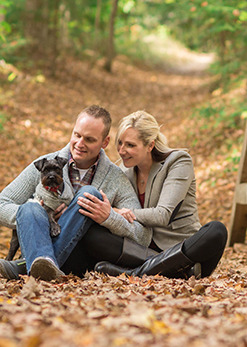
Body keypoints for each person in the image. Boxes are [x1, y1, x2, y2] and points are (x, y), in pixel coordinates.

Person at [0, 105, 150, 281]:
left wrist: (109, 217)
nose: (80, 144)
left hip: (79, 259)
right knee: (30, 208)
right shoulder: (44, 165)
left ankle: (28, 265)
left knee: (89, 194)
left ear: (105, 142)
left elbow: (142, 235)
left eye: (89, 139)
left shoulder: (116, 178)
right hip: (42, 244)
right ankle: (41, 266)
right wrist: (42, 218)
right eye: (77, 135)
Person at [89, 110, 227, 278]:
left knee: (217, 230)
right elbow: (104, 204)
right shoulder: (123, 171)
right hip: (141, 249)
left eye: (130, 145)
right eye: (120, 143)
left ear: (150, 145)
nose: (122, 151)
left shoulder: (178, 162)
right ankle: (174, 271)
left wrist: (118, 212)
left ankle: (137, 272)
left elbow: (163, 215)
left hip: (184, 249)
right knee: (92, 233)